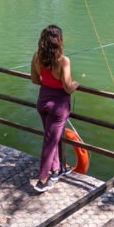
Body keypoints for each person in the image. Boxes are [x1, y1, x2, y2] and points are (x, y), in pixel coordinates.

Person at [30, 24, 79, 193]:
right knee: (50, 142)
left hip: (42, 102)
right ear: (59, 41)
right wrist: (75, 85)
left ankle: (57, 170)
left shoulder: (36, 57)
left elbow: (35, 80)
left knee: (52, 138)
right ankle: (43, 179)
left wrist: (48, 83)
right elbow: (67, 87)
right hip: (59, 106)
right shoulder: (64, 61)